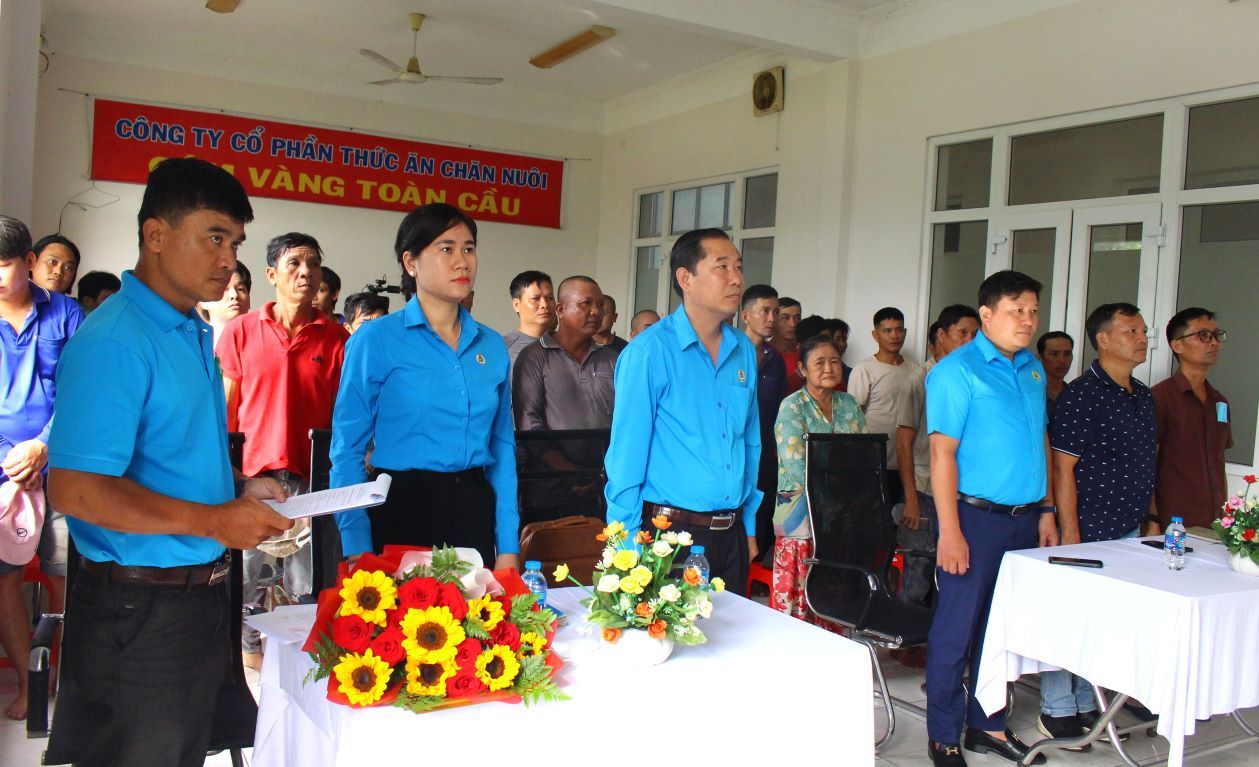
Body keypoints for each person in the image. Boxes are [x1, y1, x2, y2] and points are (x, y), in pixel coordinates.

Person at [46, 157, 293, 765]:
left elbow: (168, 454)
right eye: (213, 237)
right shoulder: (116, 341)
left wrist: (240, 488)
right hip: (138, 610)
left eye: (234, 242)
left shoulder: (185, 330)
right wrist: (213, 521)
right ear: (156, 235)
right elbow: (76, 490)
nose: (228, 258)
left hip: (191, 602)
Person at [332, 204, 518, 570]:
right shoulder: (376, 340)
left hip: (473, 509)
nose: (462, 261)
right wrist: (356, 544)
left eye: (469, 248)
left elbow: (502, 448)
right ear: (410, 262)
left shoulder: (492, 346)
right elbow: (346, 450)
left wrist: (508, 544)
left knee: (479, 624)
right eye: (446, 249)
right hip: (402, 508)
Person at [924, 270, 1057, 767]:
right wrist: (951, 532)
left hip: (1024, 520)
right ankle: (943, 734)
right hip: (973, 519)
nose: (1026, 321)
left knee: (1003, 629)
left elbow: (1038, 439)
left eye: (1032, 311)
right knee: (956, 630)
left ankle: (988, 727)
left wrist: (1046, 508)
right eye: (1015, 310)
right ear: (986, 315)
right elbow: (942, 455)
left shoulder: (1034, 369)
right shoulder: (956, 372)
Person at [604, 228, 760, 596]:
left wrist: (749, 526)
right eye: (722, 267)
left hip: (732, 533)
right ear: (685, 278)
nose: (736, 278)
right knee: (673, 651)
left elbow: (750, 444)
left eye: (738, 267)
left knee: (735, 648)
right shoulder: (649, 353)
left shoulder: (743, 350)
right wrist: (625, 551)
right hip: (668, 539)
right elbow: (626, 458)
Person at [217, 232, 348, 667]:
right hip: (253, 478)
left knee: (306, 584)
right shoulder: (240, 332)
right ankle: (246, 659)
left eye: (312, 263)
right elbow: (226, 411)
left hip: (312, 480)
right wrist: (229, 476)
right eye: (294, 263)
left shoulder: (337, 339)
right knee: (243, 579)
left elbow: (344, 416)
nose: (305, 272)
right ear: (272, 274)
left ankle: (297, 667)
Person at [1037, 303, 1155, 746]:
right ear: (1103, 339)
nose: (1142, 337)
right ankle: (1056, 708)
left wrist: (1153, 518)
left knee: (1103, 622)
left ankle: (1089, 702)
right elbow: (1062, 467)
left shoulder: (1142, 394)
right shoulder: (1083, 394)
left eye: (1144, 330)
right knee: (1068, 617)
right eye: (1131, 330)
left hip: (1128, 528)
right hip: (1087, 525)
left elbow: (1147, 461)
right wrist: (1069, 532)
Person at [0, 215, 84, 720]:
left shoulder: (67, 314)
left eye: (4, 264)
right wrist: (14, 461)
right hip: (5, 473)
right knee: (5, 577)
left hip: (64, 468)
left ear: (29, 263)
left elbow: (82, 389)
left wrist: (43, 447)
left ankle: (59, 677)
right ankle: (26, 684)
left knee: (63, 576)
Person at [770, 334, 867, 624]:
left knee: (835, 594)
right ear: (802, 369)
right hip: (800, 516)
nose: (828, 368)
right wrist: (839, 492)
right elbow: (797, 466)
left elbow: (864, 456)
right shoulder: (792, 406)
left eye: (834, 361)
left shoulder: (849, 404)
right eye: (819, 362)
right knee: (798, 598)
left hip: (842, 517)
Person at [513, 275, 617, 523]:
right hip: (549, 490)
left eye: (600, 305)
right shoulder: (534, 357)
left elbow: (625, 421)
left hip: (604, 487)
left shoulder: (613, 359)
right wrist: (574, 474)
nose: (596, 312)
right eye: (586, 304)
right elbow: (530, 425)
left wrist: (601, 475)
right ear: (560, 309)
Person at [895, 306, 979, 613]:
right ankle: (905, 639)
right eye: (962, 334)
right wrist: (910, 499)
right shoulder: (921, 379)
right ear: (941, 337)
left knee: (952, 567)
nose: (969, 341)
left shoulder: (971, 377)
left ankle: (933, 635)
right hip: (924, 486)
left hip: (960, 488)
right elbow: (904, 443)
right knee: (919, 567)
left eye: (975, 334)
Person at [1151, 307, 1232, 532]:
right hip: (1174, 522)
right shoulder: (1159, 397)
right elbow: (1148, 463)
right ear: (1177, 345)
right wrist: (1152, 518)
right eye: (1204, 336)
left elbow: (1219, 460)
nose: (1214, 343)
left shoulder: (1220, 401)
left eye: (1217, 335)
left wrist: (1226, 514)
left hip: (1215, 523)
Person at [848, 307, 916, 507]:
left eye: (899, 329)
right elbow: (853, 418)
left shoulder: (914, 368)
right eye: (887, 331)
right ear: (875, 335)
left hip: (907, 463)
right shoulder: (864, 369)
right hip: (872, 463)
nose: (894, 335)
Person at [740, 284, 786, 560]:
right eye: (765, 311)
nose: (771, 318)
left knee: (762, 518)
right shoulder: (729, 352)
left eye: (775, 312)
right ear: (746, 315)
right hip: (734, 449)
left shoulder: (776, 360)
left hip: (766, 453)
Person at [503, 270, 554, 370]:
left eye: (550, 298)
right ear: (517, 304)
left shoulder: (566, 345)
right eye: (535, 298)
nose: (545, 304)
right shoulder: (503, 348)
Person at [197, 261, 251, 345]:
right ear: (203, 301)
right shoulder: (195, 345)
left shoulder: (260, 341)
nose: (234, 295)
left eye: (240, 289)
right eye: (224, 288)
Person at [1036, 330, 1074, 422]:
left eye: (1067, 354)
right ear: (1040, 358)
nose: (1062, 360)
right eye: (1054, 354)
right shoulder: (1032, 395)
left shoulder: (1076, 395)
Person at [771, 297, 802, 393]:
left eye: (797, 318)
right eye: (785, 318)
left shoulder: (806, 355)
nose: (793, 324)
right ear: (774, 320)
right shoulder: (762, 353)